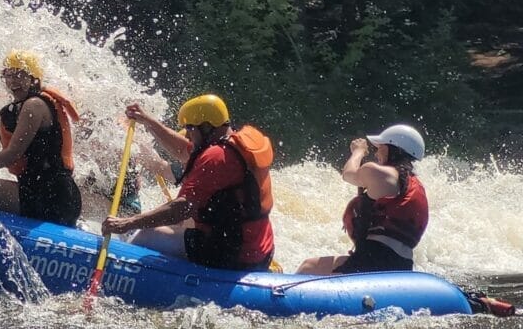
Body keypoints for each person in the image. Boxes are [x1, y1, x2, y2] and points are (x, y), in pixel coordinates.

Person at [101, 95, 276, 271]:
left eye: (190, 128)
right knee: (174, 224)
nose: (188, 134)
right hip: (260, 249)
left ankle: (119, 273)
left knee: (147, 234)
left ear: (207, 127)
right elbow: (184, 150)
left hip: (232, 253)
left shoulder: (216, 159)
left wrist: (127, 223)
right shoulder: (234, 143)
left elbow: (181, 209)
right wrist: (147, 121)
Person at [0, 50, 82, 226]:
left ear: (33, 78)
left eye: (20, 75)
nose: (13, 81)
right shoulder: (19, 107)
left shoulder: (34, 106)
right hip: (39, 190)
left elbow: (12, 154)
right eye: (8, 75)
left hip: (54, 197)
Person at [296, 124, 428, 274]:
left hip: (374, 260)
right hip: (403, 265)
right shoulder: (414, 186)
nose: (377, 154)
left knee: (308, 267)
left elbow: (348, 174)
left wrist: (358, 152)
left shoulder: (377, 172)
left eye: (379, 148)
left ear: (388, 149)